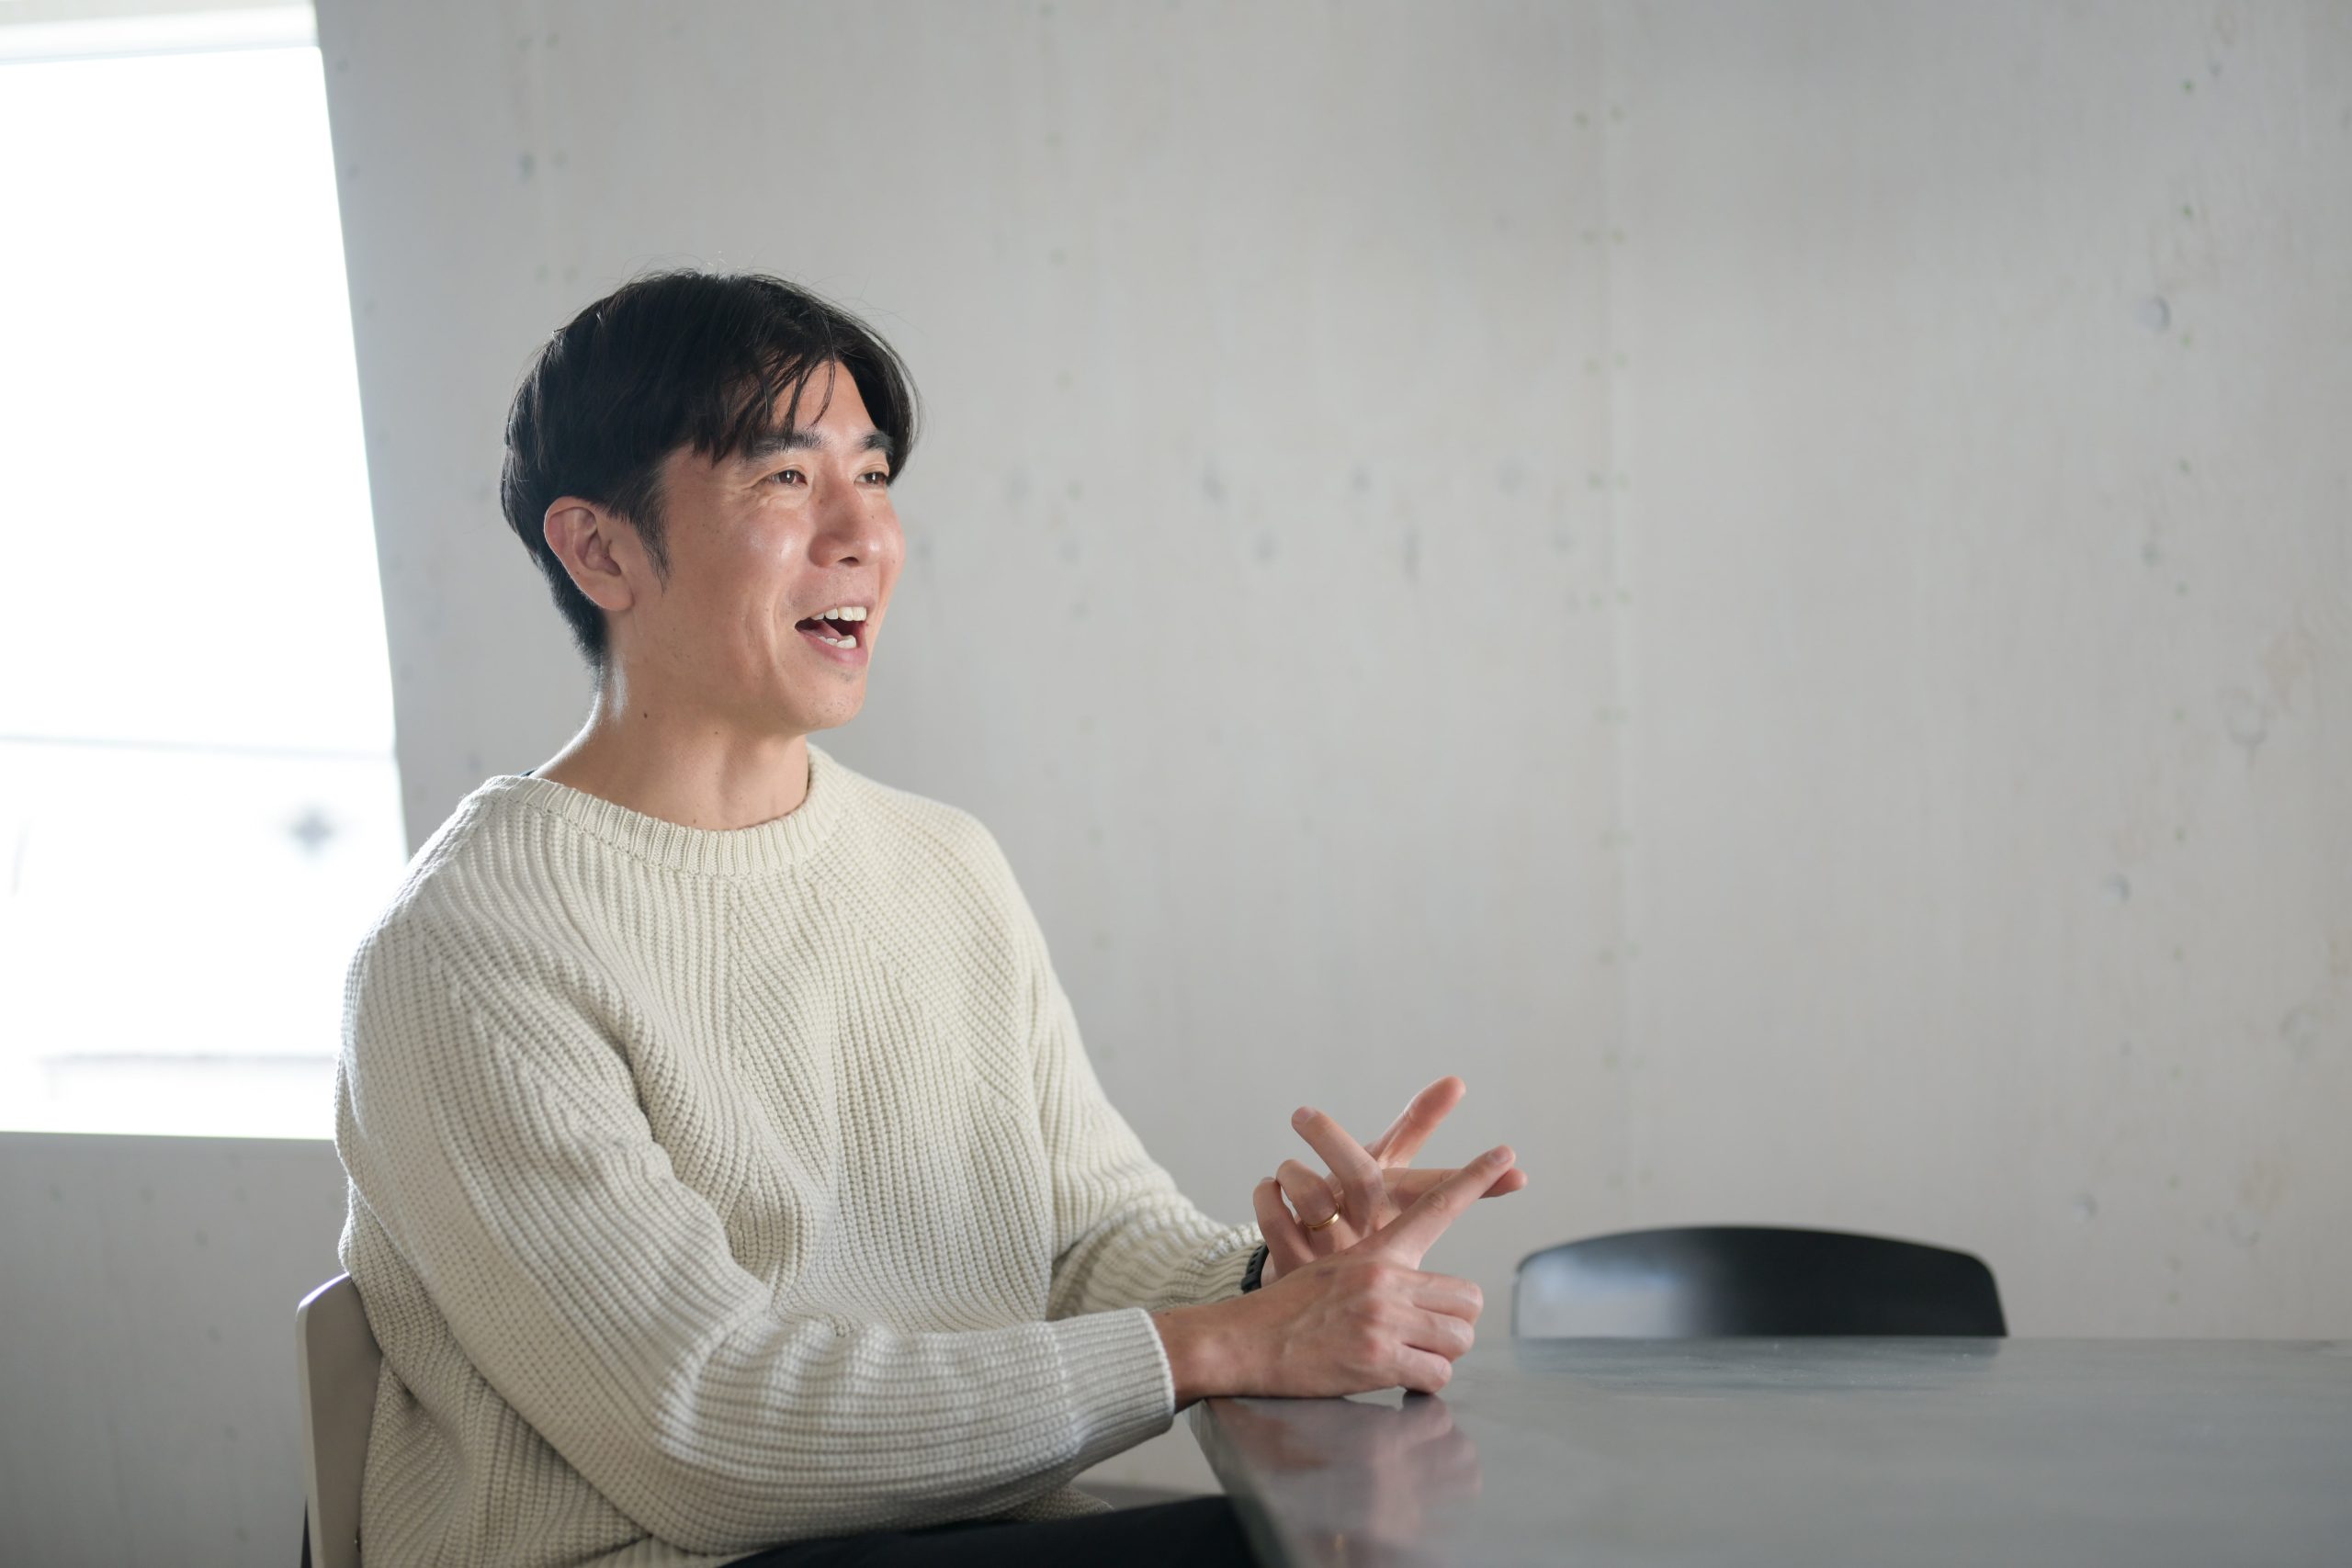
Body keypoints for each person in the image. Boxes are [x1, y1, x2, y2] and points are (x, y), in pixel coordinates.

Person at [333, 269, 1527, 1567]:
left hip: (951, 1531)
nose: (864, 533)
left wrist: (1279, 1279)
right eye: (785, 479)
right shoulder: (469, 947)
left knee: (1384, 1538)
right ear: (600, 549)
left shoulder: (941, 865)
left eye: (874, 473)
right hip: (681, 1555)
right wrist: (1225, 1346)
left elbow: (1085, 1241)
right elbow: (703, 1431)